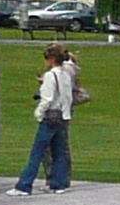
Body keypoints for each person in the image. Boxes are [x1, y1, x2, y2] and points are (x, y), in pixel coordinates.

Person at [16, 44, 77, 195]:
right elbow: (68, 96)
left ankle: (24, 185)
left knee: (37, 151)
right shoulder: (66, 74)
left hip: (50, 116)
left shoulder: (51, 75)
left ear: (51, 60)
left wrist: (38, 112)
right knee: (59, 152)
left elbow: (47, 98)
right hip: (63, 115)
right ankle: (58, 184)